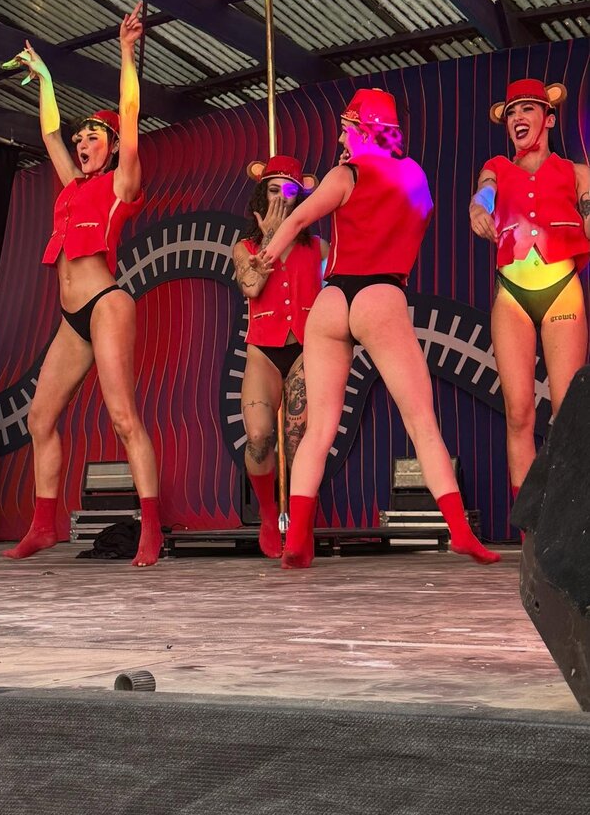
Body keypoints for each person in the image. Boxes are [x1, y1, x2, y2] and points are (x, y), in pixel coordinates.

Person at [253, 88, 501, 568]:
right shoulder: (415, 178)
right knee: (421, 421)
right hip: (380, 294)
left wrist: (267, 256)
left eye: (347, 130)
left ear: (364, 130)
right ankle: (461, 532)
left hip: (332, 301)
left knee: (318, 430)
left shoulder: (345, 174)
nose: (341, 139)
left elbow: (300, 218)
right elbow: (417, 219)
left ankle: (297, 541)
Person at [1, 4, 162, 567]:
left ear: (111, 146)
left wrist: (126, 51)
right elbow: (49, 132)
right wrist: (45, 78)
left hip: (106, 304)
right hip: (71, 319)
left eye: (92, 136)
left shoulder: (121, 183)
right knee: (39, 419)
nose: (81, 142)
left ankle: (151, 528)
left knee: (123, 417)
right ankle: (44, 524)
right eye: (81, 137)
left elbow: (130, 111)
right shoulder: (71, 186)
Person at [469, 78, 590, 500]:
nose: (517, 118)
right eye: (511, 113)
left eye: (527, 109)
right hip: (512, 296)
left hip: (562, 291)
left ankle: (568, 519)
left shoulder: (577, 173)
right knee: (519, 414)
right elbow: (484, 192)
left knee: (567, 413)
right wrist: (477, 208)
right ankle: (529, 529)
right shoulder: (497, 168)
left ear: (549, 119)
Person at [232, 155, 326, 557]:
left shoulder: (319, 247)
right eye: (273, 190)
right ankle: (269, 516)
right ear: (261, 195)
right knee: (259, 438)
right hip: (264, 352)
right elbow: (251, 287)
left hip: (307, 349)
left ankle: (301, 527)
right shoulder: (245, 247)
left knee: (300, 443)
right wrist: (271, 240)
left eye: (289, 192)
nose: (281, 199)